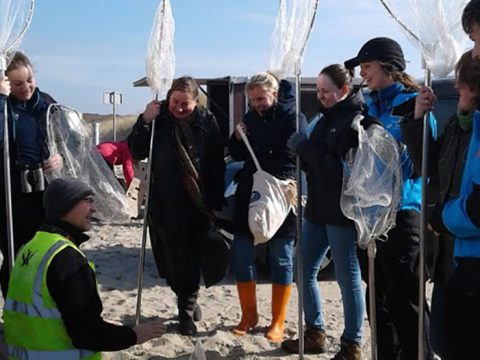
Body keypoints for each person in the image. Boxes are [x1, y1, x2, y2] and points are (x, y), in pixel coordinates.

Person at [344, 37, 436, 359]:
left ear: (387, 67)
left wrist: (402, 129)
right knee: (377, 300)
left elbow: (418, 164)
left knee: (405, 300)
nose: (363, 74)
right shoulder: (363, 106)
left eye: (366, 67)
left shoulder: (416, 103)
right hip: (368, 216)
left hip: (402, 212)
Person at [3, 177, 166, 358]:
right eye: (87, 201)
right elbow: (87, 335)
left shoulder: (30, 248)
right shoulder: (66, 259)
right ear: (66, 206)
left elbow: (46, 312)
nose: (94, 208)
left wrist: (103, 323)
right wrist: (134, 335)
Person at [281, 64, 378, 359]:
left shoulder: (356, 123)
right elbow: (313, 164)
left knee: (347, 278)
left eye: (326, 91)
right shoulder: (323, 120)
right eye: (319, 90)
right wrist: (299, 150)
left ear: (344, 90)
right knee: (302, 268)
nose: (320, 96)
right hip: (318, 208)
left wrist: (306, 150)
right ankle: (316, 332)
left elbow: (339, 171)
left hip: (343, 211)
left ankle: (351, 343)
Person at [128, 76, 226, 336]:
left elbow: (217, 163)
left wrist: (215, 200)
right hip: (164, 202)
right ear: (168, 97)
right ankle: (185, 297)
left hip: (197, 202)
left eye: (186, 104)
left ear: (196, 101)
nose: (179, 108)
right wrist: (144, 120)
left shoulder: (208, 121)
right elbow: (136, 150)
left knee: (190, 258)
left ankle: (185, 311)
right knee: (169, 261)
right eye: (175, 102)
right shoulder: (157, 118)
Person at [401, 50, 480, 359]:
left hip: (469, 253)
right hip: (448, 251)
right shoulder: (458, 125)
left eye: (462, 82)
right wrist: (419, 119)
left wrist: (442, 217)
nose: (457, 87)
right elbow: (429, 166)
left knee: (460, 344)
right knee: (443, 341)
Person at [228, 72, 302, 343]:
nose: (256, 104)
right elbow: (237, 154)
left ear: (274, 94)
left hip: (280, 195)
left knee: (281, 257)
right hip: (249, 192)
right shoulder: (250, 118)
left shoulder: (293, 117)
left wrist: (272, 178)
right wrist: (237, 138)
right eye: (252, 100)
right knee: (241, 255)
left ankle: (278, 321)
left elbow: (292, 154)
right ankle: (249, 316)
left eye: (260, 98)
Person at [0, 51, 63, 298]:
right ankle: (15, 307)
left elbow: (70, 139)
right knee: (15, 252)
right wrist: (2, 101)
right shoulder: (4, 104)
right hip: (9, 193)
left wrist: (59, 157)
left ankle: (40, 306)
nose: (26, 88)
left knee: (43, 251)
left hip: (44, 191)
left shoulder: (47, 103)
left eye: (30, 80)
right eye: (17, 84)